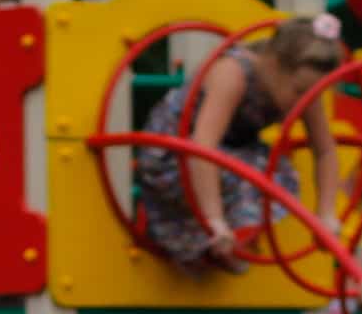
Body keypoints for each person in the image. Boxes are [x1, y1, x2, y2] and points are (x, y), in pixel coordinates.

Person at [137, 14, 350, 277]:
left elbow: (326, 151)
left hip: (230, 154)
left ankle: (228, 243)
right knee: (252, 174)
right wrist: (214, 221)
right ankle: (219, 238)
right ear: (273, 64)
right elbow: (202, 148)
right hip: (173, 155)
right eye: (298, 91)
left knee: (280, 176)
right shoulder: (232, 73)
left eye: (313, 94)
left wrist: (326, 215)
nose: (305, 102)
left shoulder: (304, 86)